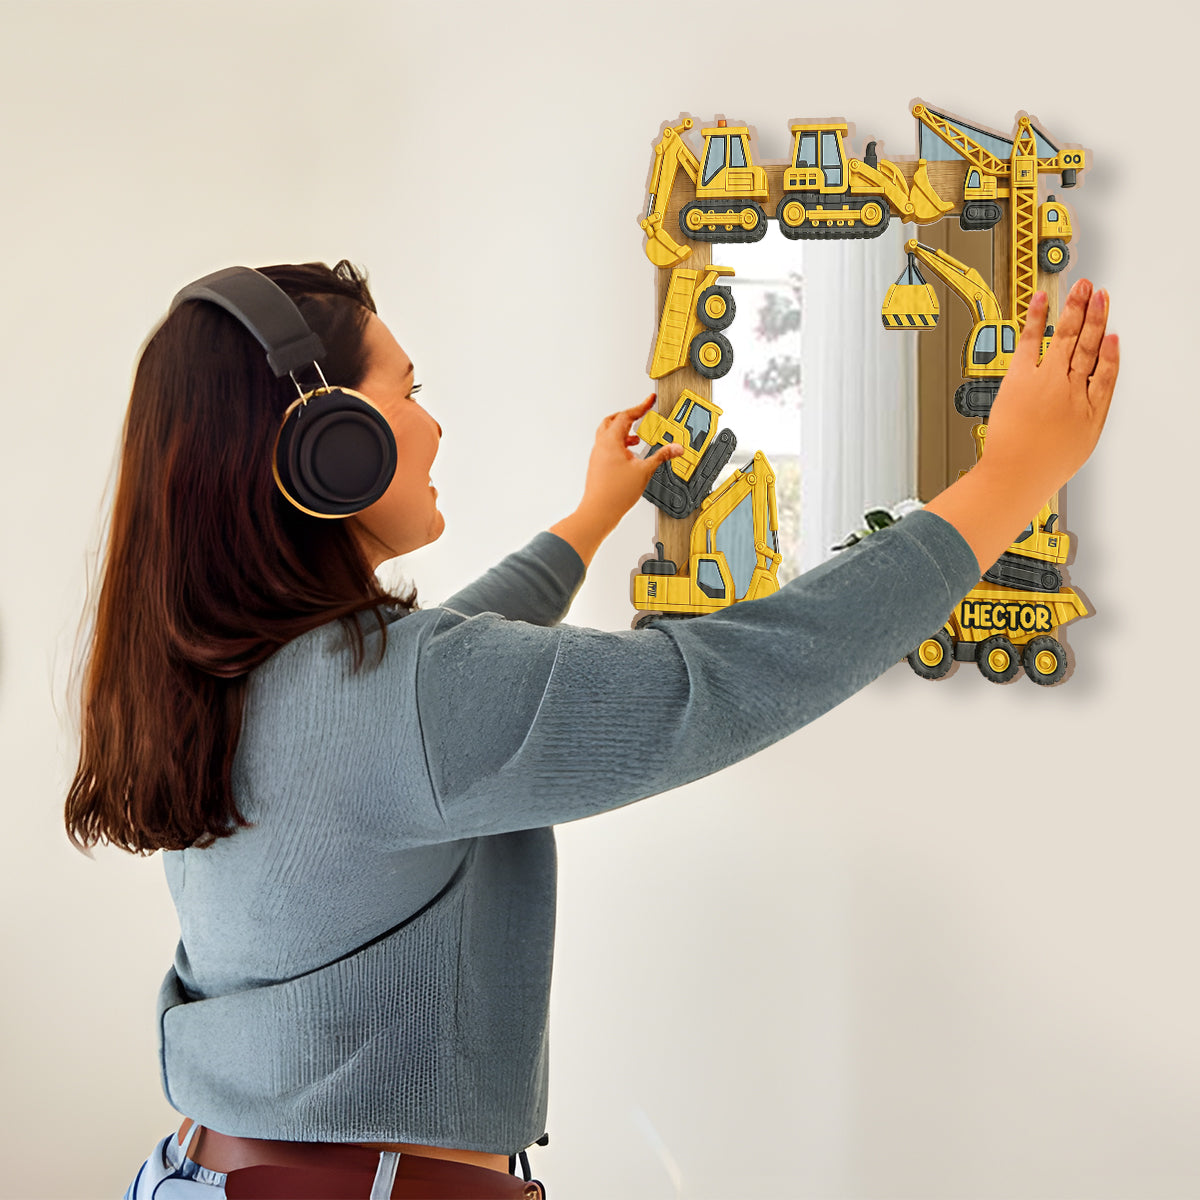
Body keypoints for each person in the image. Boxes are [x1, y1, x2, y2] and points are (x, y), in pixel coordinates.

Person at [66, 260, 1117, 1199]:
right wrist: (1012, 478)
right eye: (408, 391)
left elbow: (439, 681)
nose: (433, 424)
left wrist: (589, 518)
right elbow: (728, 677)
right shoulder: (414, 697)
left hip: (203, 1171)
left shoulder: (230, 674)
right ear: (327, 445)